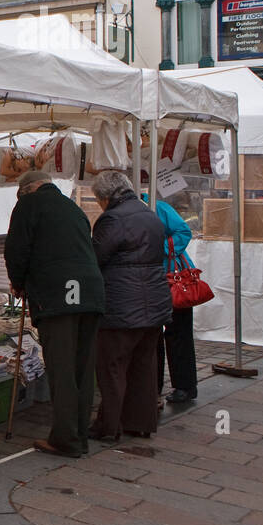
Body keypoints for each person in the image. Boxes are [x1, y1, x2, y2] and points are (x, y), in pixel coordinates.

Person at [4, 169, 106, 458]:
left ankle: (67, 440)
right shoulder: (73, 207)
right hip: (90, 292)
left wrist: (19, 283)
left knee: (61, 370)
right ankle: (78, 435)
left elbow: (16, 249)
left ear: (27, 190)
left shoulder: (28, 205)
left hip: (58, 294)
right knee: (83, 370)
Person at [90, 171, 174, 441]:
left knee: (112, 367)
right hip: (154, 303)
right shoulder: (149, 214)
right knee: (144, 367)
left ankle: (109, 427)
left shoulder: (113, 219)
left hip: (122, 305)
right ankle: (140, 423)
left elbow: (96, 257)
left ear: (105, 197)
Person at [148, 195, 198, 404]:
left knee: (178, 333)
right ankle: (153, 385)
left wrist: (160, 250)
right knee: (151, 336)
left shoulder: (158, 207)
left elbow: (184, 231)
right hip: (149, 280)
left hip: (172, 278)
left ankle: (185, 387)